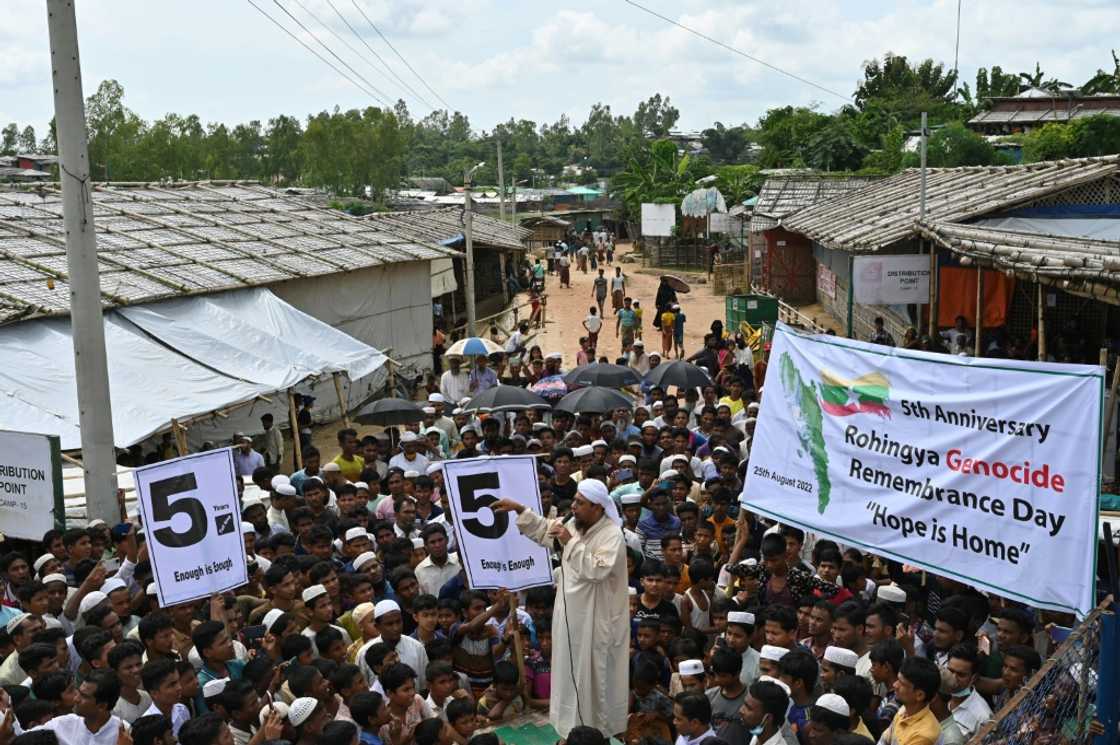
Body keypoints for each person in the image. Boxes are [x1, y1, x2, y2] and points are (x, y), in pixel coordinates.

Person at [491, 479, 628, 737]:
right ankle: (570, 733)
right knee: (568, 676)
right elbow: (546, 531)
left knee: (592, 681)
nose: (573, 507)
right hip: (569, 619)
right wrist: (520, 509)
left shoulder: (612, 535)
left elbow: (597, 569)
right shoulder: (574, 525)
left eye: (580, 503)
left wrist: (570, 542)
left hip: (595, 623)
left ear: (598, 508)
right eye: (574, 501)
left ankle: (592, 736)